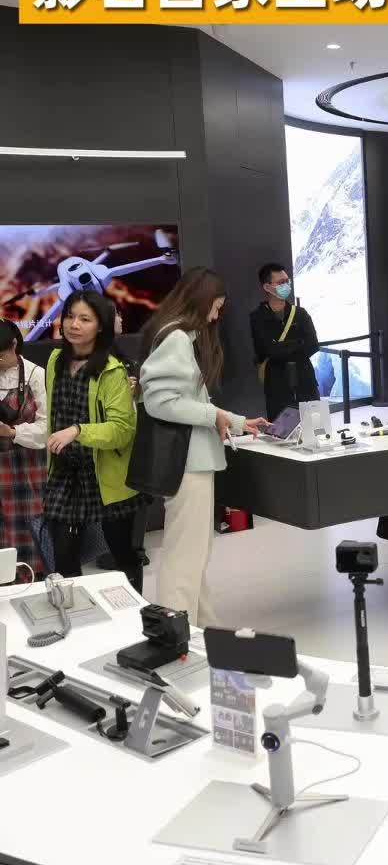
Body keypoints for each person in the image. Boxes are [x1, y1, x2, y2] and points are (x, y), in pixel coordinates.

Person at [140, 268, 266, 627]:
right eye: (216, 306)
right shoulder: (177, 338)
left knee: (194, 552)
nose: (216, 315)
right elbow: (160, 402)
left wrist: (234, 421)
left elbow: (191, 401)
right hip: (186, 462)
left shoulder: (180, 335)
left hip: (191, 460)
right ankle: (174, 634)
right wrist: (215, 415)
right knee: (185, 556)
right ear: (201, 299)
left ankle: (200, 627)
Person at [41, 291, 142, 590]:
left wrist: (78, 431)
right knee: (63, 560)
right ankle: (73, 612)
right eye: (70, 316)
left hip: (105, 475)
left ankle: (136, 611)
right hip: (64, 472)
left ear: (101, 326)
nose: (74, 324)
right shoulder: (56, 359)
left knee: (123, 556)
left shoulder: (112, 370)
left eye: (85, 319)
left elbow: (122, 430)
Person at [0, 320, 48, 576]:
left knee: (30, 529)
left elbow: (47, 428)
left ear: (14, 344)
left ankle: (33, 579)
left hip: (27, 467)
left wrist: (12, 432)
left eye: (1, 355)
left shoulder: (35, 374)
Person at [250, 262, 319, 423]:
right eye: (281, 282)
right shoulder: (257, 317)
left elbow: (312, 345)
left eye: (288, 281)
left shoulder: (300, 313)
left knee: (316, 429)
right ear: (267, 287)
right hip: (277, 384)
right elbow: (267, 350)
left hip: (305, 380)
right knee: (281, 432)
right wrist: (297, 344)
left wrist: (281, 347)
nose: (286, 285)